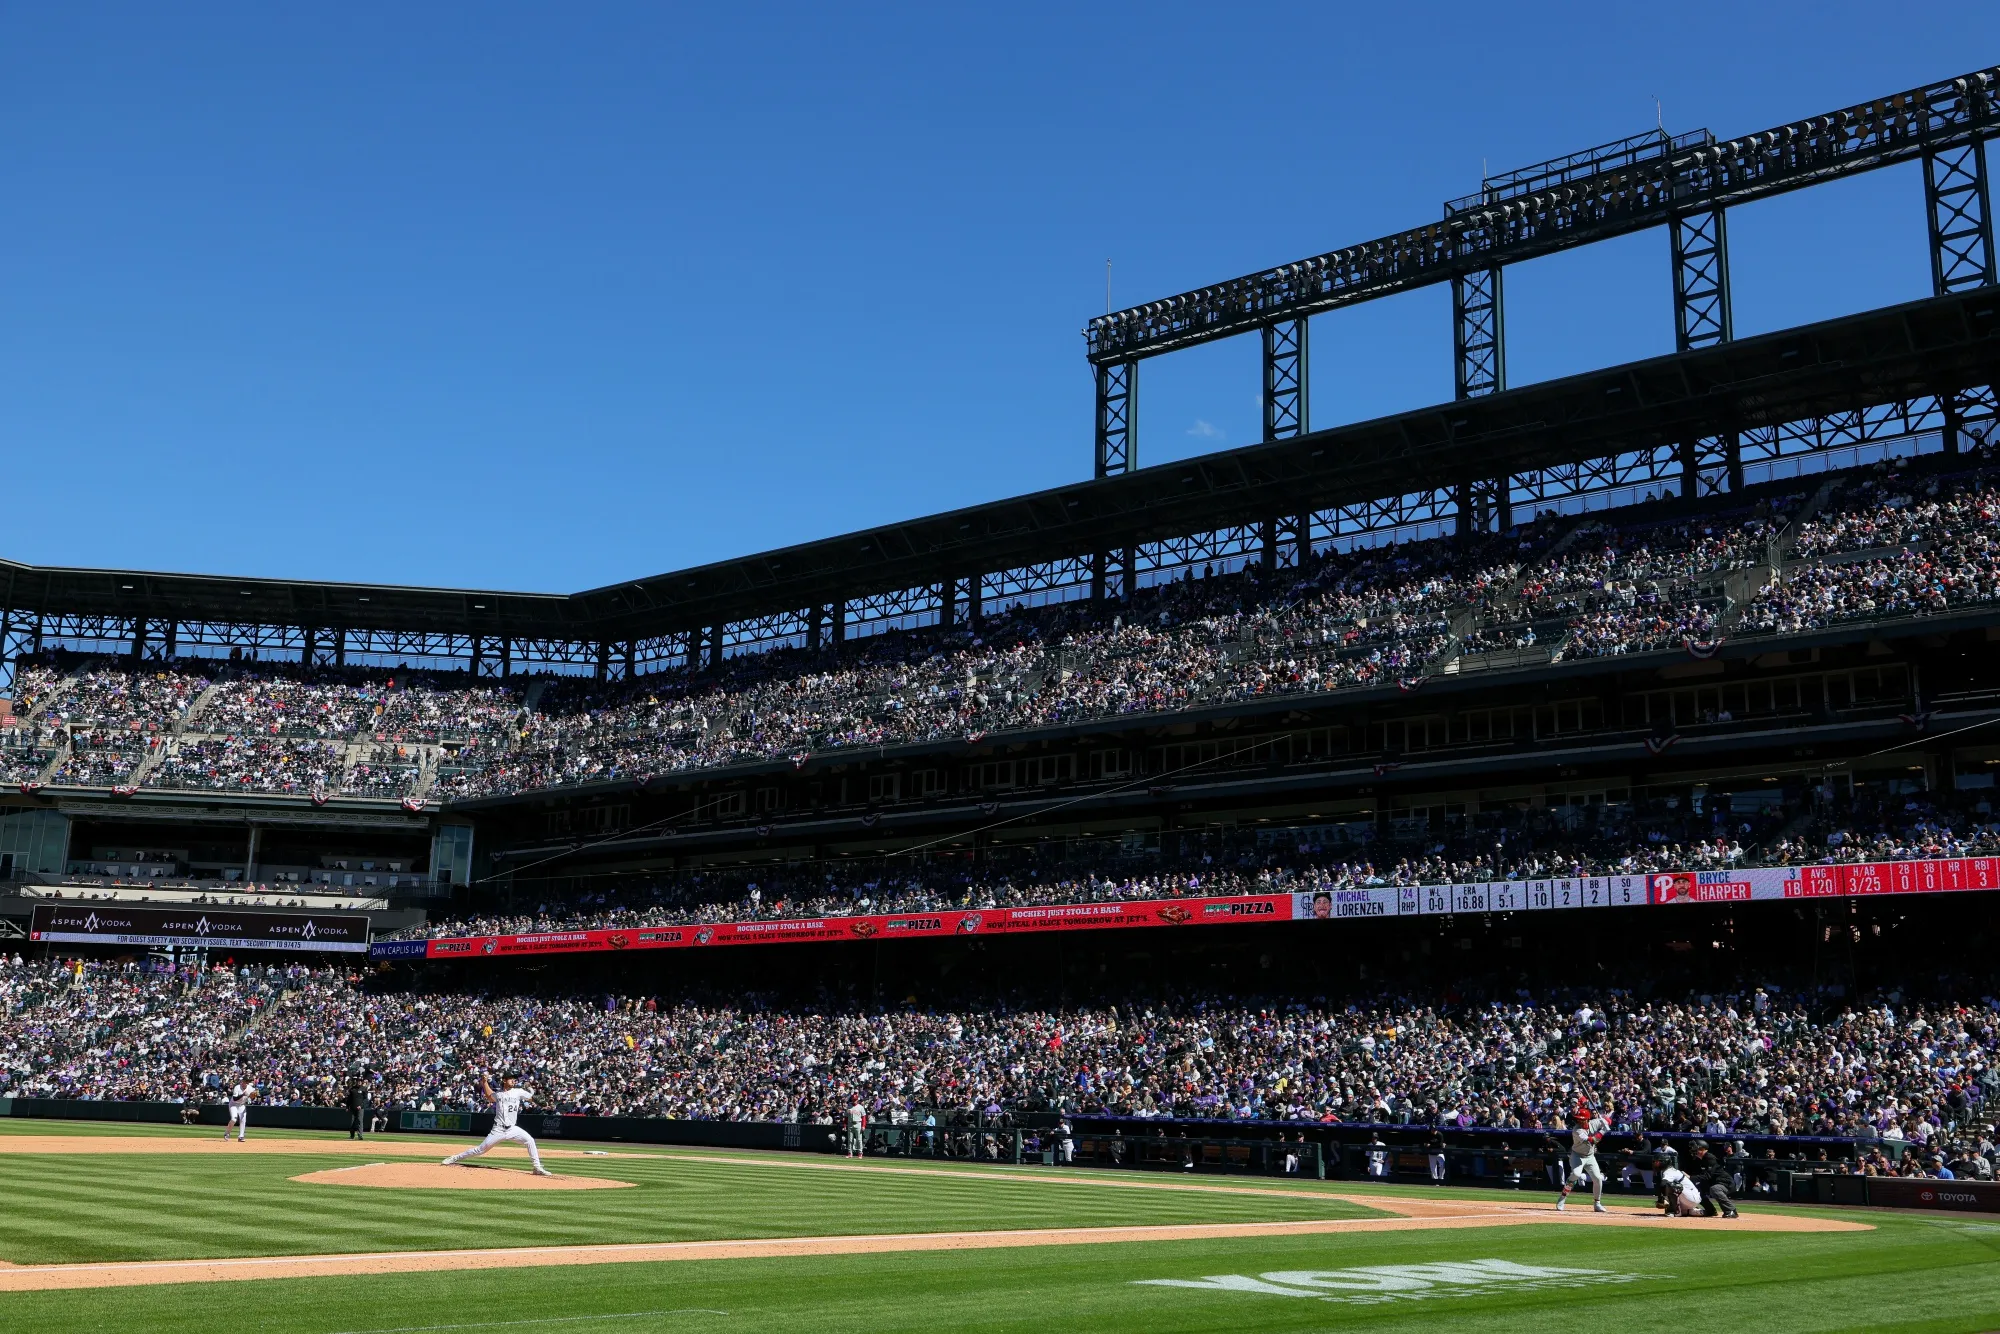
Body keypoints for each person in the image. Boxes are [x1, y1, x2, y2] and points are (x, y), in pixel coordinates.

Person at [442, 1073, 552, 1177]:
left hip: (512, 1129)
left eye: (514, 1079)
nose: (513, 1080)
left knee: (530, 1140)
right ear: (504, 1080)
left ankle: (537, 1168)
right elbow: (489, 1096)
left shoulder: (519, 1092)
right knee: (480, 1150)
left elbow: (533, 1098)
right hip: (498, 1129)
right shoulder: (499, 1094)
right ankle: (454, 1158)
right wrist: (484, 1082)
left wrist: (540, 1101)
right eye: (510, 1078)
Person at [1557, 1103, 1610, 1213]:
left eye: (1582, 1119)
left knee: (1598, 1178)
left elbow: (1608, 1120)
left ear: (1587, 1119)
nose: (1580, 1121)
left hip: (1590, 1156)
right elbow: (1593, 1140)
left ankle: (1597, 1203)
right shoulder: (1577, 1130)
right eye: (1579, 1119)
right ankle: (1562, 1199)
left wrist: (1606, 1121)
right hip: (1577, 1155)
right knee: (1575, 1174)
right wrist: (1603, 1130)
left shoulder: (1594, 1123)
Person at [1688, 1139, 1738, 1218]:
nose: (1694, 1151)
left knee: (1715, 1189)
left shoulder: (1709, 1157)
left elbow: (1707, 1176)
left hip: (1725, 1183)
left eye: (1696, 1149)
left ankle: (1731, 1210)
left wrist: (1690, 1177)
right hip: (1714, 1182)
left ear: (1702, 1149)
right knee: (1697, 1190)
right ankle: (1711, 1210)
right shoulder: (1700, 1160)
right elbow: (1702, 1176)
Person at [224, 1077, 253, 1143]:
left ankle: (241, 1136)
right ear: (242, 1081)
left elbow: (252, 1097)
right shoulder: (237, 1087)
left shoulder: (250, 1088)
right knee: (234, 1119)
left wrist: (253, 1096)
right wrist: (243, 1094)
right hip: (233, 1104)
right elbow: (234, 1099)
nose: (246, 1083)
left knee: (243, 1120)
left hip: (242, 1105)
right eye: (245, 1081)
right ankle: (227, 1133)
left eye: (247, 1081)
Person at [345, 1071, 370, 1141]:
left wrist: (361, 1105)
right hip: (353, 1107)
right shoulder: (352, 1089)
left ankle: (360, 1135)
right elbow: (349, 1099)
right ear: (356, 1081)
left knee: (359, 1121)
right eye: (358, 1081)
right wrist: (347, 1106)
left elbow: (365, 1099)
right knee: (352, 1122)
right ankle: (352, 1135)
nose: (359, 1082)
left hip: (360, 1108)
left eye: (360, 1081)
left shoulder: (364, 1089)